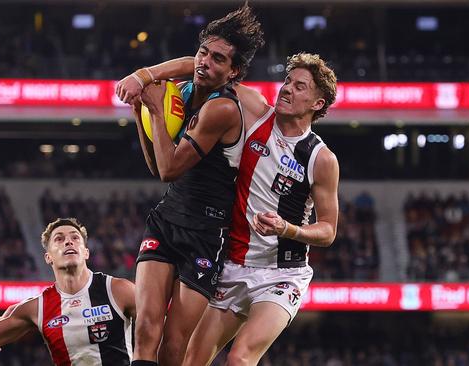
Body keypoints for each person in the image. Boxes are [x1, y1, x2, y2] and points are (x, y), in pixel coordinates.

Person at [120, 52, 339, 365]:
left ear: (318, 104)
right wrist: (143, 75)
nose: (287, 89)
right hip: (232, 264)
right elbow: (202, 68)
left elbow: (328, 230)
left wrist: (287, 229)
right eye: (288, 81)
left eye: (300, 87)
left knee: (239, 358)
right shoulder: (255, 112)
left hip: (281, 274)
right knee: (190, 358)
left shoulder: (321, 158)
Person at [124, 5, 265, 366]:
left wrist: (155, 110)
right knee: (145, 327)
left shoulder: (223, 109)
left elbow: (170, 168)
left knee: (174, 344)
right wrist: (140, 114)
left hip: (206, 233)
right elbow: (157, 166)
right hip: (167, 219)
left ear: (233, 73)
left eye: (218, 59)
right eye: (204, 52)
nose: (205, 62)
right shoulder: (183, 92)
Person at [0, 217, 136, 366]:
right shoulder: (37, 307)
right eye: (59, 239)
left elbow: (159, 321)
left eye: (75, 238)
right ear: (48, 257)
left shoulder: (117, 290)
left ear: (86, 253)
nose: (69, 242)